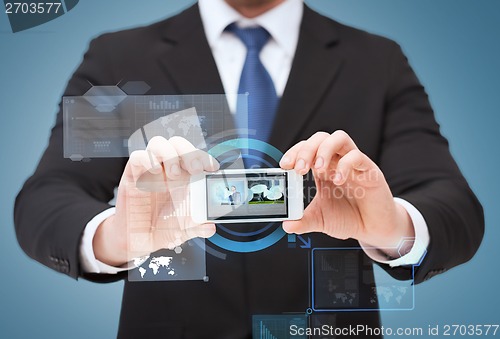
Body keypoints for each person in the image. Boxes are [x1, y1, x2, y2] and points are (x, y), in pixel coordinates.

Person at [14, 0, 484, 338]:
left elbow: (451, 202)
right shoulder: (118, 58)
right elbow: (47, 196)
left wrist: (393, 227)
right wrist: (118, 236)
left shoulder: (376, 61)